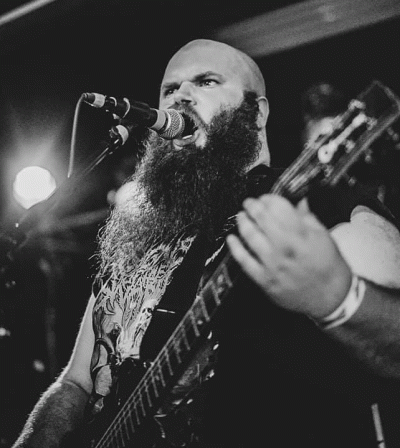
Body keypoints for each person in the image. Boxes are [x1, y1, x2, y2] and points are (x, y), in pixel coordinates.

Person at [11, 38, 400, 448]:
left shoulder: (313, 205)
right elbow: (76, 382)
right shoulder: (135, 232)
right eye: (169, 88)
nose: (180, 96)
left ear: (257, 112)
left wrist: (336, 297)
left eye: (206, 81)